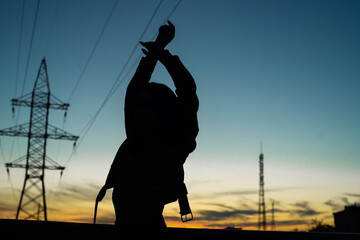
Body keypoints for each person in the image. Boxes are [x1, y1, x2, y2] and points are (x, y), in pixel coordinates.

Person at [96, 21, 199, 235]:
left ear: (160, 111)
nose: (139, 111)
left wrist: (163, 55)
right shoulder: (134, 141)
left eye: (147, 106)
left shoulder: (174, 144)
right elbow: (134, 90)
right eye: (138, 106)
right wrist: (154, 54)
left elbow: (188, 94)